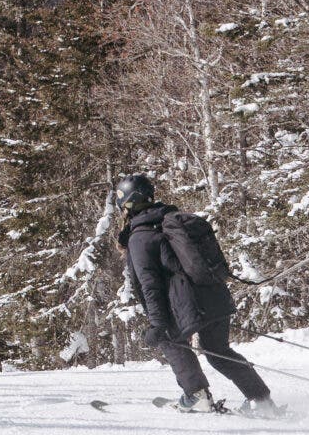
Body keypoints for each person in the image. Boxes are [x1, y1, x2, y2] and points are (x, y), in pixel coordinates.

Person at [116, 174, 278, 416]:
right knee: (218, 350)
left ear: (127, 204)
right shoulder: (170, 220)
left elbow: (150, 285)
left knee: (170, 340)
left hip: (188, 302)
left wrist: (158, 324)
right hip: (214, 293)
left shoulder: (140, 237)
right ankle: (260, 400)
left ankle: (197, 395)